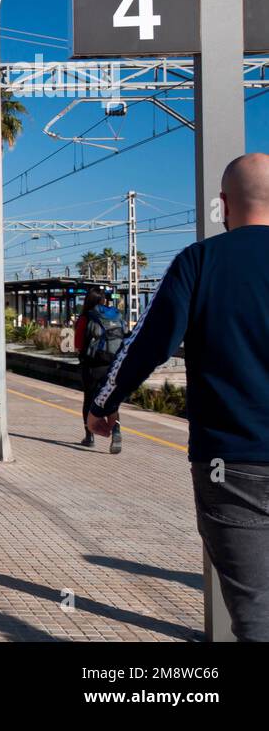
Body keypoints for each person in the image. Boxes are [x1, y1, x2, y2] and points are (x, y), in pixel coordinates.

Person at [88, 152, 269, 641]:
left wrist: (104, 404)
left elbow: (149, 343)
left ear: (224, 205)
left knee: (256, 613)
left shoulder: (201, 261)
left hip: (231, 465)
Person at [75, 286, 124, 452]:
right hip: (113, 365)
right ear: (104, 300)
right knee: (111, 400)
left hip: (92, 366)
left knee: (89, 399)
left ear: (88, 300)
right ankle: (116, 432)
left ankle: (89, 436)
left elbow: (78, 345)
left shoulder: (85, 317)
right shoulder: (115, 315)